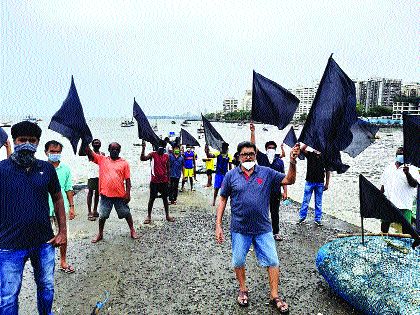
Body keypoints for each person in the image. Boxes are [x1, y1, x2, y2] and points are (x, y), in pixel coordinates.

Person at [216, 141, 300, 313]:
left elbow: (289, 180)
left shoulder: (266, 173)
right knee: (238, 260)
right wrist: (218, 225)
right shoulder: (231, 175)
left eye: (251, 154)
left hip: (263, 228)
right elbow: (223, 199)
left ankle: (274, 295)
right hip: (239, 228)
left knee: (273, 261)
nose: (248, 157)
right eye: (245, 154)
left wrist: (292, 161)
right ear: (239, 156)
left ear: (256, 155)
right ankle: (243, 289)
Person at [0, 121, 67, 314]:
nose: (27, 144)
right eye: (22, 140)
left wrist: (62, 232)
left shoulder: (46, 169)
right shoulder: (2, 169)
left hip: (44, 241)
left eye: (32, 140)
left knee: (46, 287)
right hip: (9, 245)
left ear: (38, 143)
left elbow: (58, 198)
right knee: (8, 297)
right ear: (14, 141)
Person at [86, 142, 139, 243]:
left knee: (126, 213)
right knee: (102, 215)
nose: (114, 151)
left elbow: (128, 180)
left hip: (120, 195)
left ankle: (132, 230)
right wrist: (85, 141)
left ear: (119, 151)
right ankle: (100, 233)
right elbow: (89, 153)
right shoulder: (102, 159)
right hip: (105, 195)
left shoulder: (124, 163)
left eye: (117, 149)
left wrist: (128, 193)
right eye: (112, 149)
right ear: (109, 150)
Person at [250, 123, 287, 241]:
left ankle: (276, 232)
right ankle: (260, 232)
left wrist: (285, 191)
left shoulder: (279, 161)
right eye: (269, 148)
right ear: (266, 149)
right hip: (263, 191)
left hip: (276, 192)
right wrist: (252, 132)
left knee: (275, 212)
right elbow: (253, 146)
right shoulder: (262, 158)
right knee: (261, 212)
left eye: (272, 148)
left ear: (275, 149)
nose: (271, 149)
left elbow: (284, 178)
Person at [45, 140, 75, 274]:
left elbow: (69, 188)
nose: (55, 154)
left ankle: (63, 260)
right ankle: (46, 262)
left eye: (57, 152)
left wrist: (72, 207)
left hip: (60, 207)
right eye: (52, 151)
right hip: (44, 207)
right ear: (46, 152)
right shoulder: (41, 168)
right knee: (45, 236)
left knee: (63, 234)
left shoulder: (66, 169)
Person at [380, 147, 419, 234]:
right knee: (384, 226)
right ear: (396, 156)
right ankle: (383, 241)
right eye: (399, 154)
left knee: (406, 229)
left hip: (404, 204)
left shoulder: (412, 168)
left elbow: (414, 184)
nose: (400, 156)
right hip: (389, 203)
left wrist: (407, 174)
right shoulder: (389, 167)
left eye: (402, 155)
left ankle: (406, 245)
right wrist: (379, 199)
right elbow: (383, 185)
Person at [141, 139, 175, 224]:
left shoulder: (166, 156)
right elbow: (143, 158)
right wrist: (143, 148)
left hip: (164, 181)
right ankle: (149, 216)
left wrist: (169, 180)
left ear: (164, 148)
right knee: (152, 198)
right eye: (159, 148)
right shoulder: (152, 155)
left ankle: (167, 215)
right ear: (157, 148)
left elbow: (168, 168)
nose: (161, 149)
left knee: (165, 199)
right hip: (154, 181)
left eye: (162, 148)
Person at [297, 144, 331, 226]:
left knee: (318, 202)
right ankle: (302, 217)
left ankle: (318, 219)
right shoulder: (310, 154)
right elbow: (301, 149)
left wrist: (327, 183)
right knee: (306, 201)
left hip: (320, 183)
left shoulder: (325, 157)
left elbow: (328, 171)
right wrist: (308, 142)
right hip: (309, 181)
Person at [87, 139, 104, 221]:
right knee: (90, 193)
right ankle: (89, 211)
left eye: (98, 142)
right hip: (91, 175)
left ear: (100, 144)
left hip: (99, 175)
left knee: (97, 193)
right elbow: (83, 151)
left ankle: (95, 210)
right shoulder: (90, 153)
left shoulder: (102, 154)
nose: (97, 144)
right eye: (95, 143)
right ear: (92, 144)